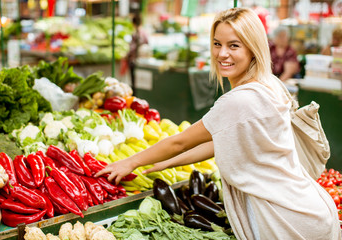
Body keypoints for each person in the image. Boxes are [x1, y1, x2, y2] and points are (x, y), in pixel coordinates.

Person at [96, 8, 340, 239]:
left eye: (234, 45)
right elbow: (221, 141)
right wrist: (167, 163)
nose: (222, 54)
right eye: (217, 44)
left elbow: (180, 141)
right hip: (308, 210)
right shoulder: (270, 83)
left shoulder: (239, 100)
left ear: (253, 48)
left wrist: (131, 161)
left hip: (287, 222)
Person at [126, 13, 149, 94]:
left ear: (133, 23)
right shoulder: (144, 33)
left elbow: (132, 48)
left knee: (135, 83)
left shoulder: (135, 34)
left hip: (134, 61)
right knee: (141, 83)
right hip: (143, 61)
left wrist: (127, 54)